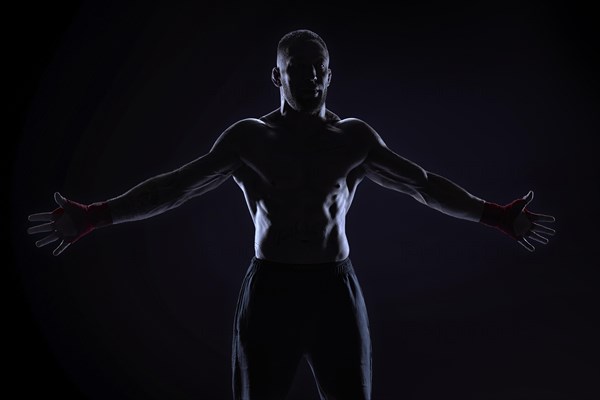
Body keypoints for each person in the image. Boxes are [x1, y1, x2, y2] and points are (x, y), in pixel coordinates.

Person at [27, 29, 555, 400]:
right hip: (271, 292)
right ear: (276, 77)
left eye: (318, 72)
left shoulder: (353, 138)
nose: (309, 81)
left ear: (330, 75)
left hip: (333, 291)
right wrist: (95, 215)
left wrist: (496, 216)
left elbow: (423, 186)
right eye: (296, 71)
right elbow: (176, 187)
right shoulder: (249, 139)